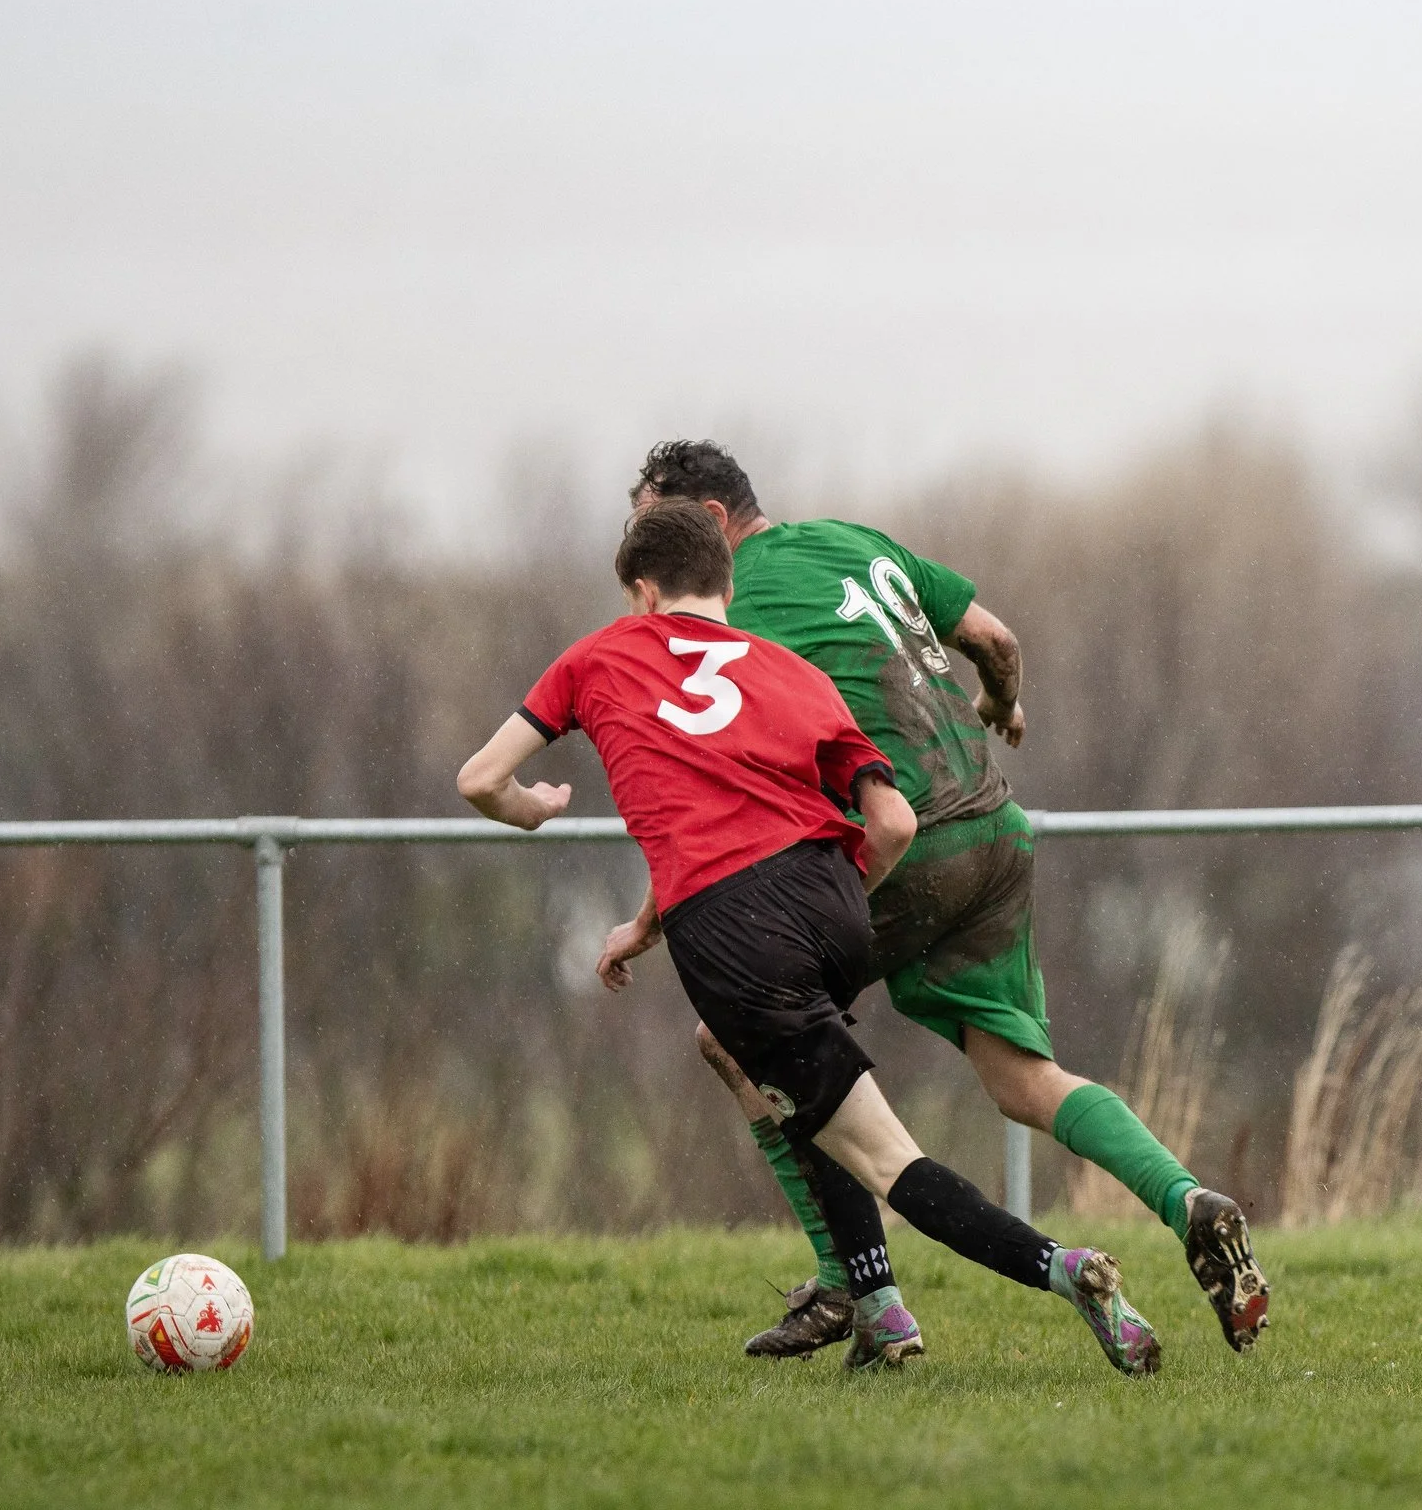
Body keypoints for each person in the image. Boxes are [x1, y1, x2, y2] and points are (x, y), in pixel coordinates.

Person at [458, 497, 1160, 1377]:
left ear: (642, 593)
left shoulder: (600, 656)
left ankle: (1065, 1272)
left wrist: (536, 810)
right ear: (726, 581)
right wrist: (829, 899)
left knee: (884, 1156)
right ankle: (875, 1308)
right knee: (774, 1077)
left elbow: (481, 778)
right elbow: (894, 822)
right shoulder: (790, 672)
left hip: (731, 932)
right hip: (836, 904)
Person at [607, 440, 1271, 1363]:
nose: (640, 557)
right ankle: (1184, 1198)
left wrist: (650, 921)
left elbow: (711, 797)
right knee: (1023, 1080)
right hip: (995, 831)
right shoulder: (856, 540)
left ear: (709, 524)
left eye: (651, 527)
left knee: (740, 1032)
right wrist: (1002, 708)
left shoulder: (724, 615)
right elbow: (997, 643)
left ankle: (855, 1289)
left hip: (901, 844)